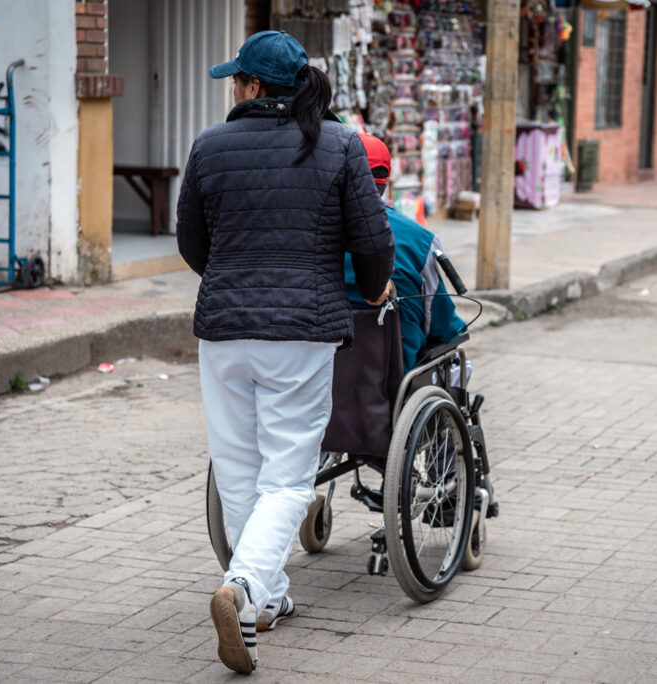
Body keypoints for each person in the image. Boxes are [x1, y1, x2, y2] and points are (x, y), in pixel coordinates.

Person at [176, 30, 394, 674]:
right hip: (301, 330)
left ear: (250, 87)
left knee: (239, 468)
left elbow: (192, 242)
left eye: (235, 80)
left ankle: (263, 601)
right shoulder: (337, 145)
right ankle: (244, 587)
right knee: (289, 476)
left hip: (224, 329)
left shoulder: (210, 146)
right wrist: (376, 281)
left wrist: (233, 280)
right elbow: (372, 237)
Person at [343, 133, 466, 374]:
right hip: (393, 373)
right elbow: (442, 324)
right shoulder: (419, 240)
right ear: (386, 183)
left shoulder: (309, 233)